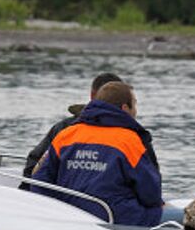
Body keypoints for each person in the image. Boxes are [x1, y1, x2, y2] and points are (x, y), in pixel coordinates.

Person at [31, 81, 164, 226]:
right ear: (125, 108)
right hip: (118, 217)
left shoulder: (66, 135)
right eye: (135, 104)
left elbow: (40, 182)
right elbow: (151, 194)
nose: (136, 110)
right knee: (178, 215)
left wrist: (54, 213)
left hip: (68, 214)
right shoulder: (129, 141)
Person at [21, 73, 159, 189]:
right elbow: (151, 188)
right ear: (124, 106)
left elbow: (36, 175)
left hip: (65, 205)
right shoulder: (133, 138)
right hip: (113, 211)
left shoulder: (66, 132)